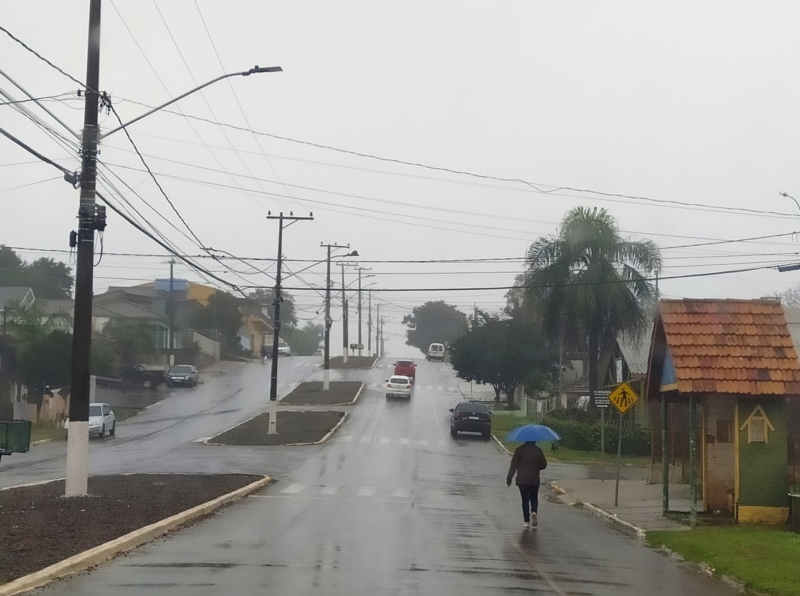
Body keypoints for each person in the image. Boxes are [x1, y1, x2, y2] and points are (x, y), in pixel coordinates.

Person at [506, 440, 547, 529]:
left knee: (525, 499)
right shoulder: (538, 451)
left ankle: (526, 521)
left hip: (522, 479)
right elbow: (544, 465)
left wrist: (509, 478)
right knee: (534, 497)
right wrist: (536, 466)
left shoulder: (519, 450)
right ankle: (534, 511)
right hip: (534, 479)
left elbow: (514, 465)